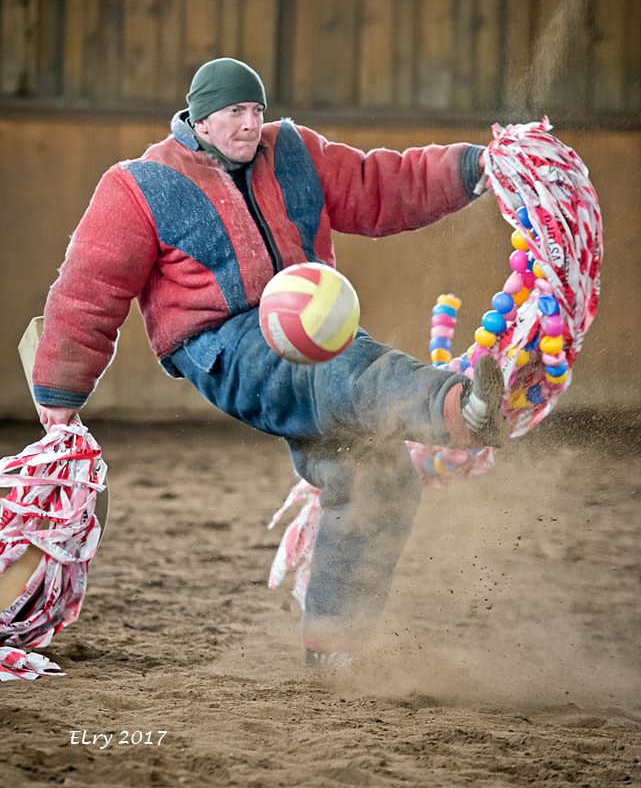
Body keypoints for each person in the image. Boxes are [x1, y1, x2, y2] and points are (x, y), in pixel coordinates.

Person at [33, 57, 507, 667]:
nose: (250, 123)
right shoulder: (139, 185)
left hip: (303, 327)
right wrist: (58, 396)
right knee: (340, 369)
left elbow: (378, 185)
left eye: (256, 110)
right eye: (235, 112)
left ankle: (335, 650)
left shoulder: (295, 153)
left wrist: (474, 168)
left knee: (377, 480)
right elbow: (86, 290)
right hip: (223, 347)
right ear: (200, 119)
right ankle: (457, 409)